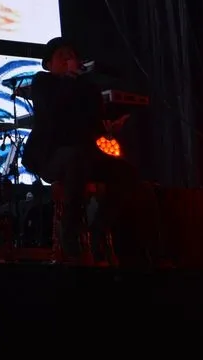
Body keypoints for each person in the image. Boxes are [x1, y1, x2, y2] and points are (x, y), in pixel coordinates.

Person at [21, 37, 136, 261]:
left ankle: (100, 228)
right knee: (75, 157)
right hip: (50, 156)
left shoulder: (88, 88)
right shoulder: (43, 82)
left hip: (86, 155)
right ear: (48, 64)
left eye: (71, 55)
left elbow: (94, 123)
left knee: (125, 172)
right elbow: (51, 112)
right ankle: (70, 231)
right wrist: (69, 79)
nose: (68, 58)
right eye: (61, 55)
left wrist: (109, 128)